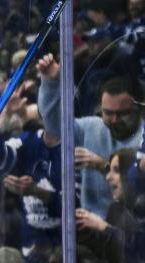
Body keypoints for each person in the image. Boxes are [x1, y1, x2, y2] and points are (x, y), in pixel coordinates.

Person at [38, 54, 144, 217]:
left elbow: (139, 188)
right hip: (91, 229)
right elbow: (54, 126)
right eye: (108, 113)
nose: (114, 120)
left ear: (139, 110)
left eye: (123, 114)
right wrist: (51, 84)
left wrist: (104, 166)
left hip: (132, 232)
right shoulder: (91, 127)